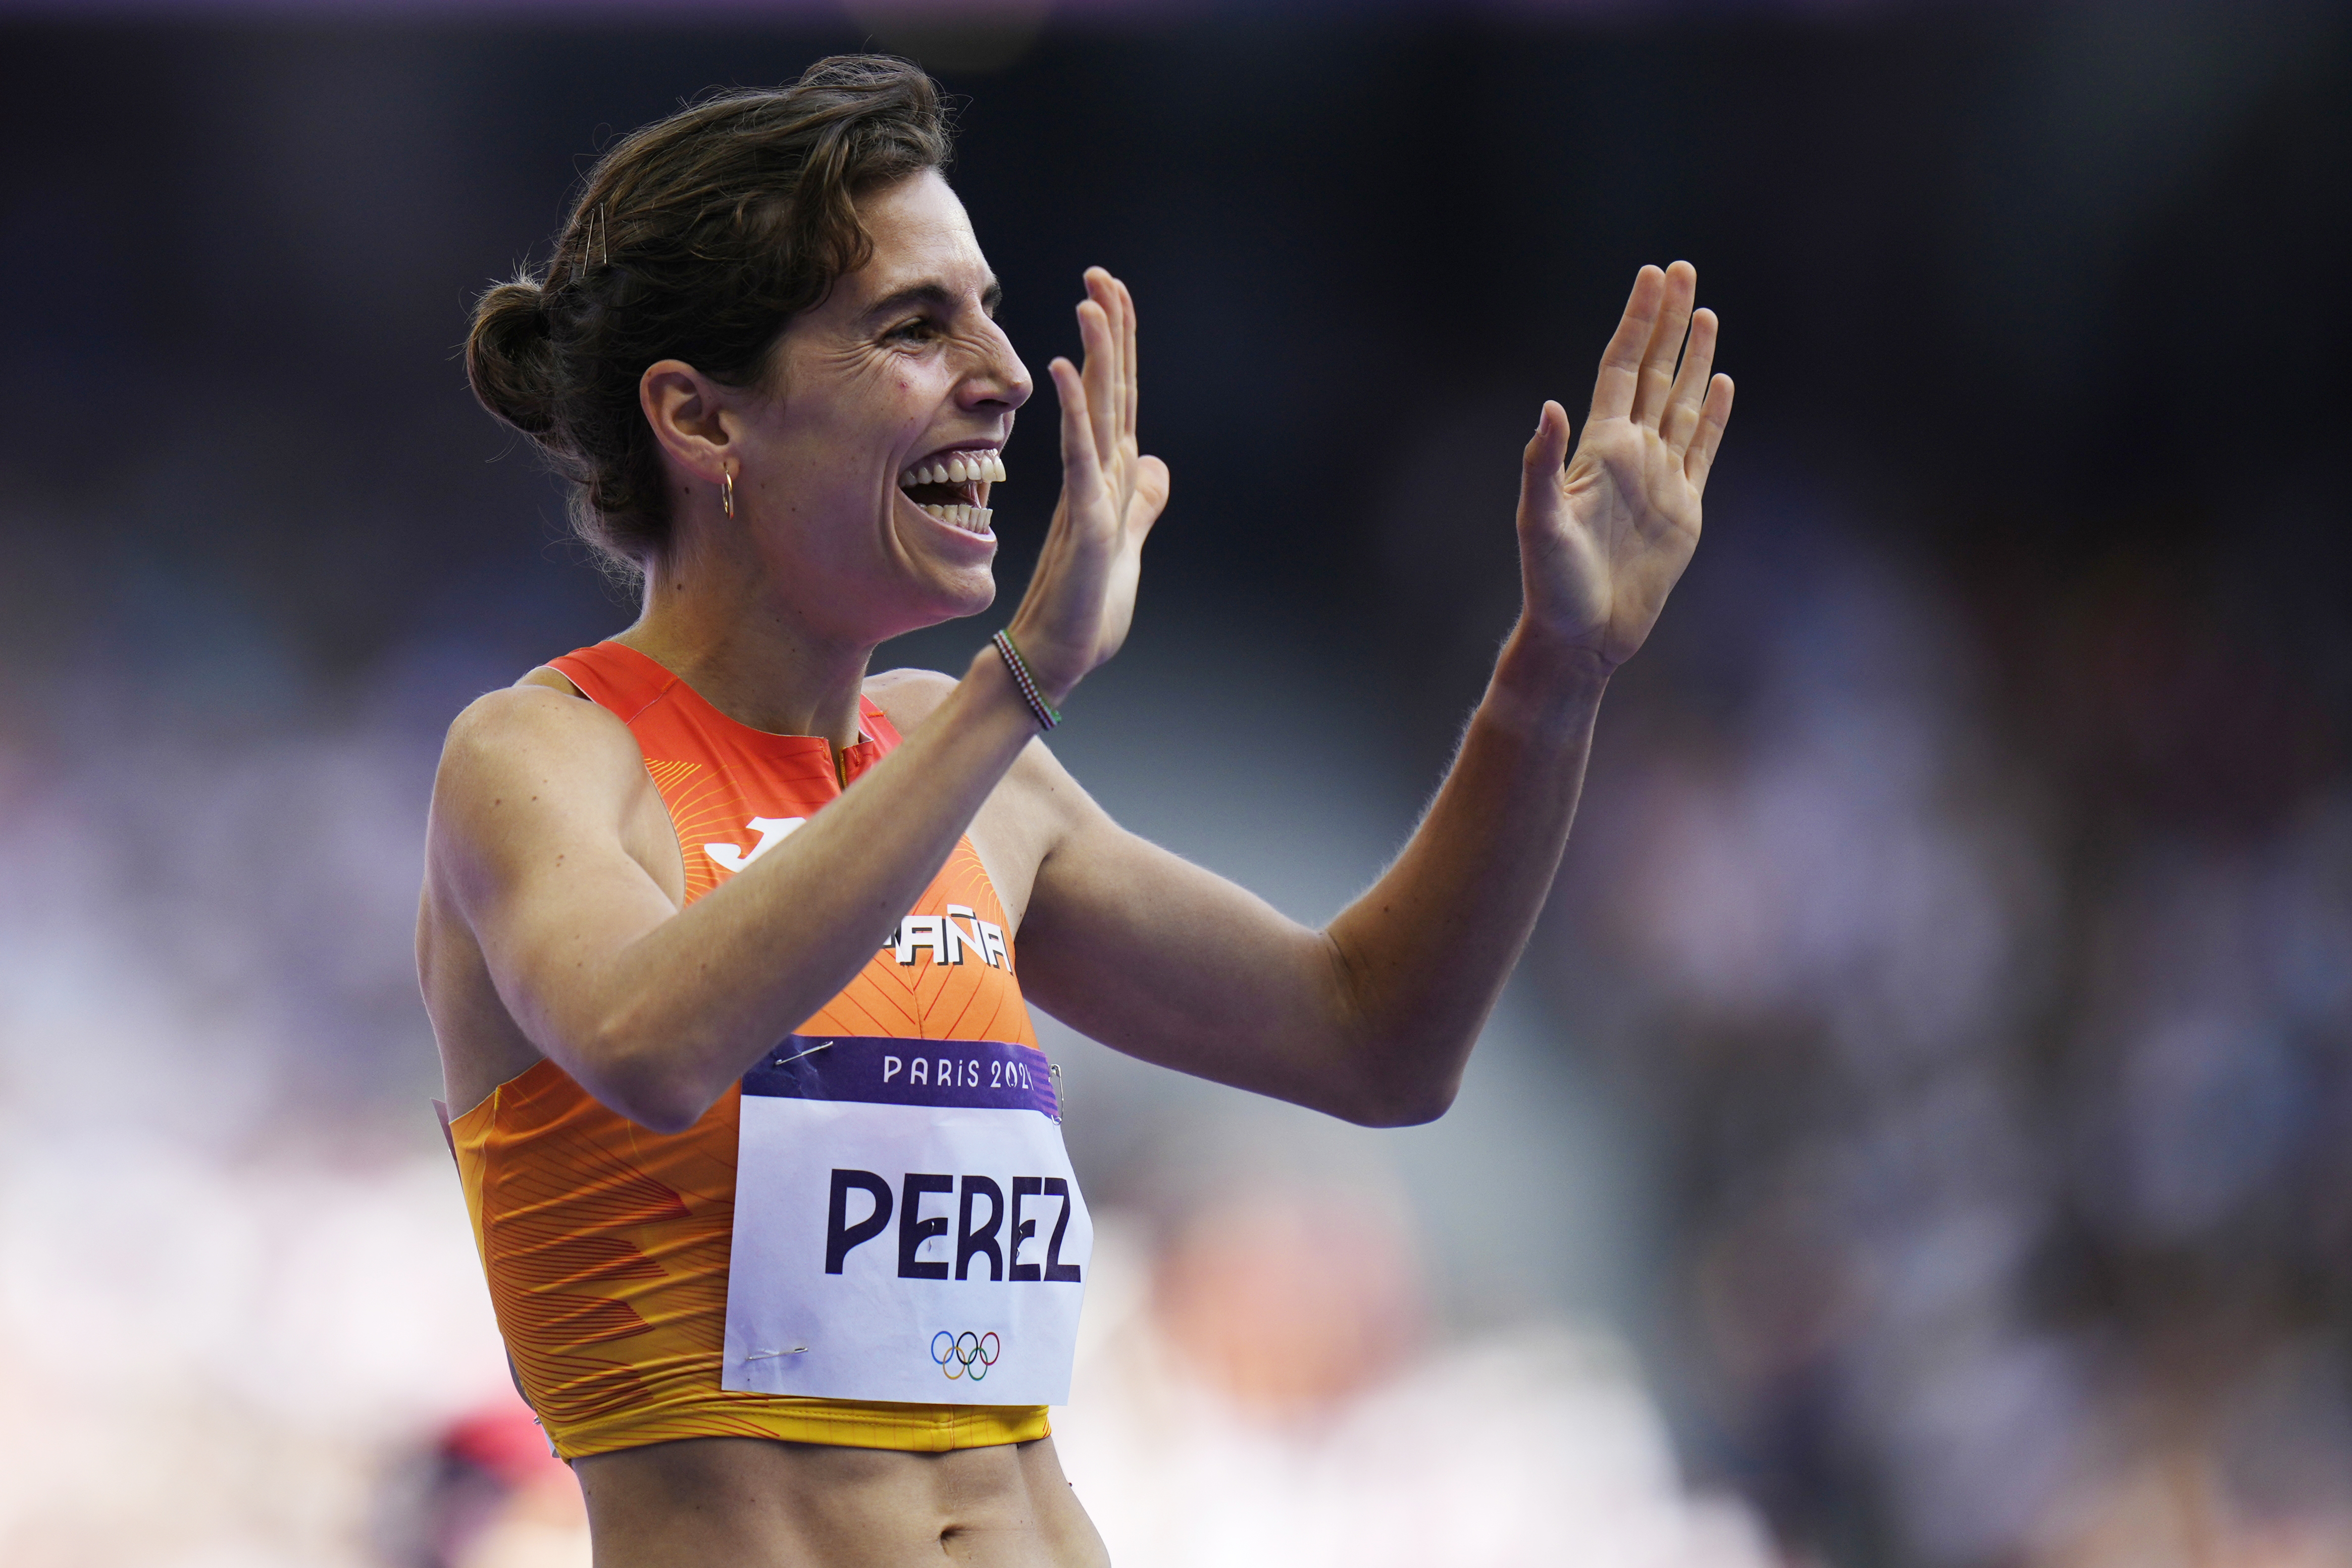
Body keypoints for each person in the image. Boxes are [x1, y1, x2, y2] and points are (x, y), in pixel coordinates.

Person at [419, 54, 1732, 1568]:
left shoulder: (972, 772)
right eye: (915, 325)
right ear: (701, 419)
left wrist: (1553, 674)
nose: (999, 369)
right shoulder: (540, 758)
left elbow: (1376, 1034)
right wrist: (1019, 677)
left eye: (987, 308)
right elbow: (653, 1045)